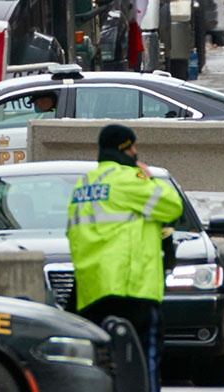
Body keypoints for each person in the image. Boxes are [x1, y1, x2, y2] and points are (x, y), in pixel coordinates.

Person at [66, 124, 183, 392]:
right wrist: (148, 176)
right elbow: (172, 205)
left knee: (103, 368)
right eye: (133, 146)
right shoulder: (130, 179)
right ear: (124, 148)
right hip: (132, 289)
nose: (136, 151)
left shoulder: (83, 185)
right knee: (143, 365)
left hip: (92, 292)